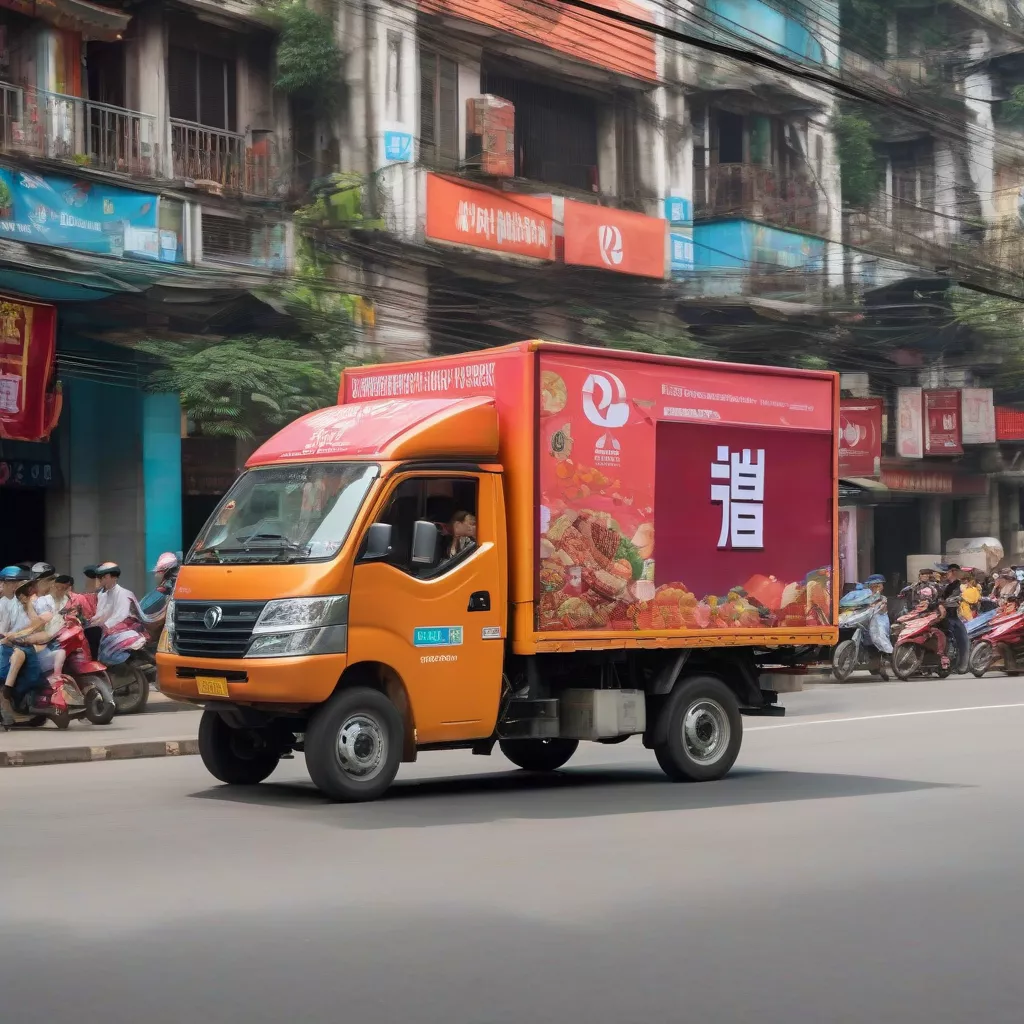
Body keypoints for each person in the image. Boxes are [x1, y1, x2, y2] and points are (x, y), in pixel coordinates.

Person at [90, 562, 145, 665]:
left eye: (101, 577)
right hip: (108, 628)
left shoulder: (124, 593)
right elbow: (101, 613)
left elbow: (121, 615)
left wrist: (105, 626)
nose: (99, 579)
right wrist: (91, 622)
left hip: (125, 628)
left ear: (109, 577)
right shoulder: (102, 595)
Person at [937, 563, 970, 673]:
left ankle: (961, 666)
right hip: (940, 616)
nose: (944, 575)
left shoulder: (958, 586)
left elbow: (952, 599)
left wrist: (942, 604)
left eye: (946, 572)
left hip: (952, 616)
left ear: (954, 572)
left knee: (962, 639)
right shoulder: (944, 586)